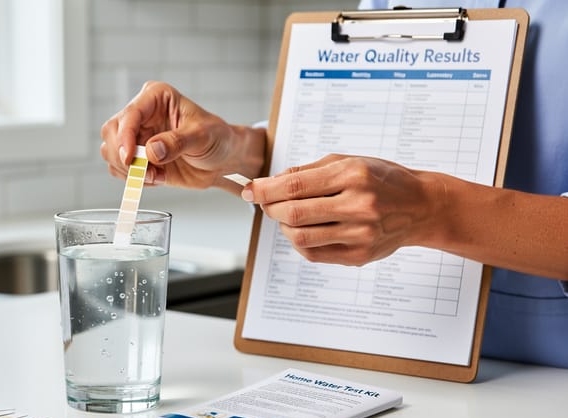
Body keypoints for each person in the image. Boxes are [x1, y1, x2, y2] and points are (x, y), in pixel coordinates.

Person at [99, 0, 568, 368]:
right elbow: (362, 155)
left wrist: (432, 209)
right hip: (400, 365)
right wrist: (240, 154)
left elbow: (402, 194)